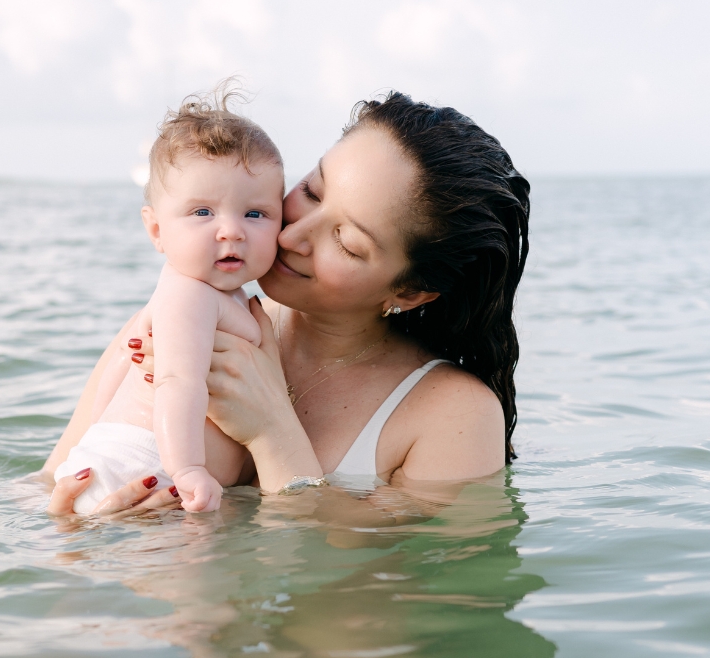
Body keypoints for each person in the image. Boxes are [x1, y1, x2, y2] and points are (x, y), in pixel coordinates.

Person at [45, 91, 529, 515]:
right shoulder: (183, 321)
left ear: (409, 292)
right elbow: (40, 488)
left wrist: (272, 432)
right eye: (312, 191)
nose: (293, 234)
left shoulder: (453, 415)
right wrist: (75, 523)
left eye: (346, 242)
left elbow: (387, 590)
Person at [57, 92, 283, 513]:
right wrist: (189, 469)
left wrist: (89, 438)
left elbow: (118, 369)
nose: (231, 231)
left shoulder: (201, 293)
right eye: (202, 212)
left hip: (127, 464)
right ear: (157, 229)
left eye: (255, 214)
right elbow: (178, 382)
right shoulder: (189, 295)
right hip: (145, 466)